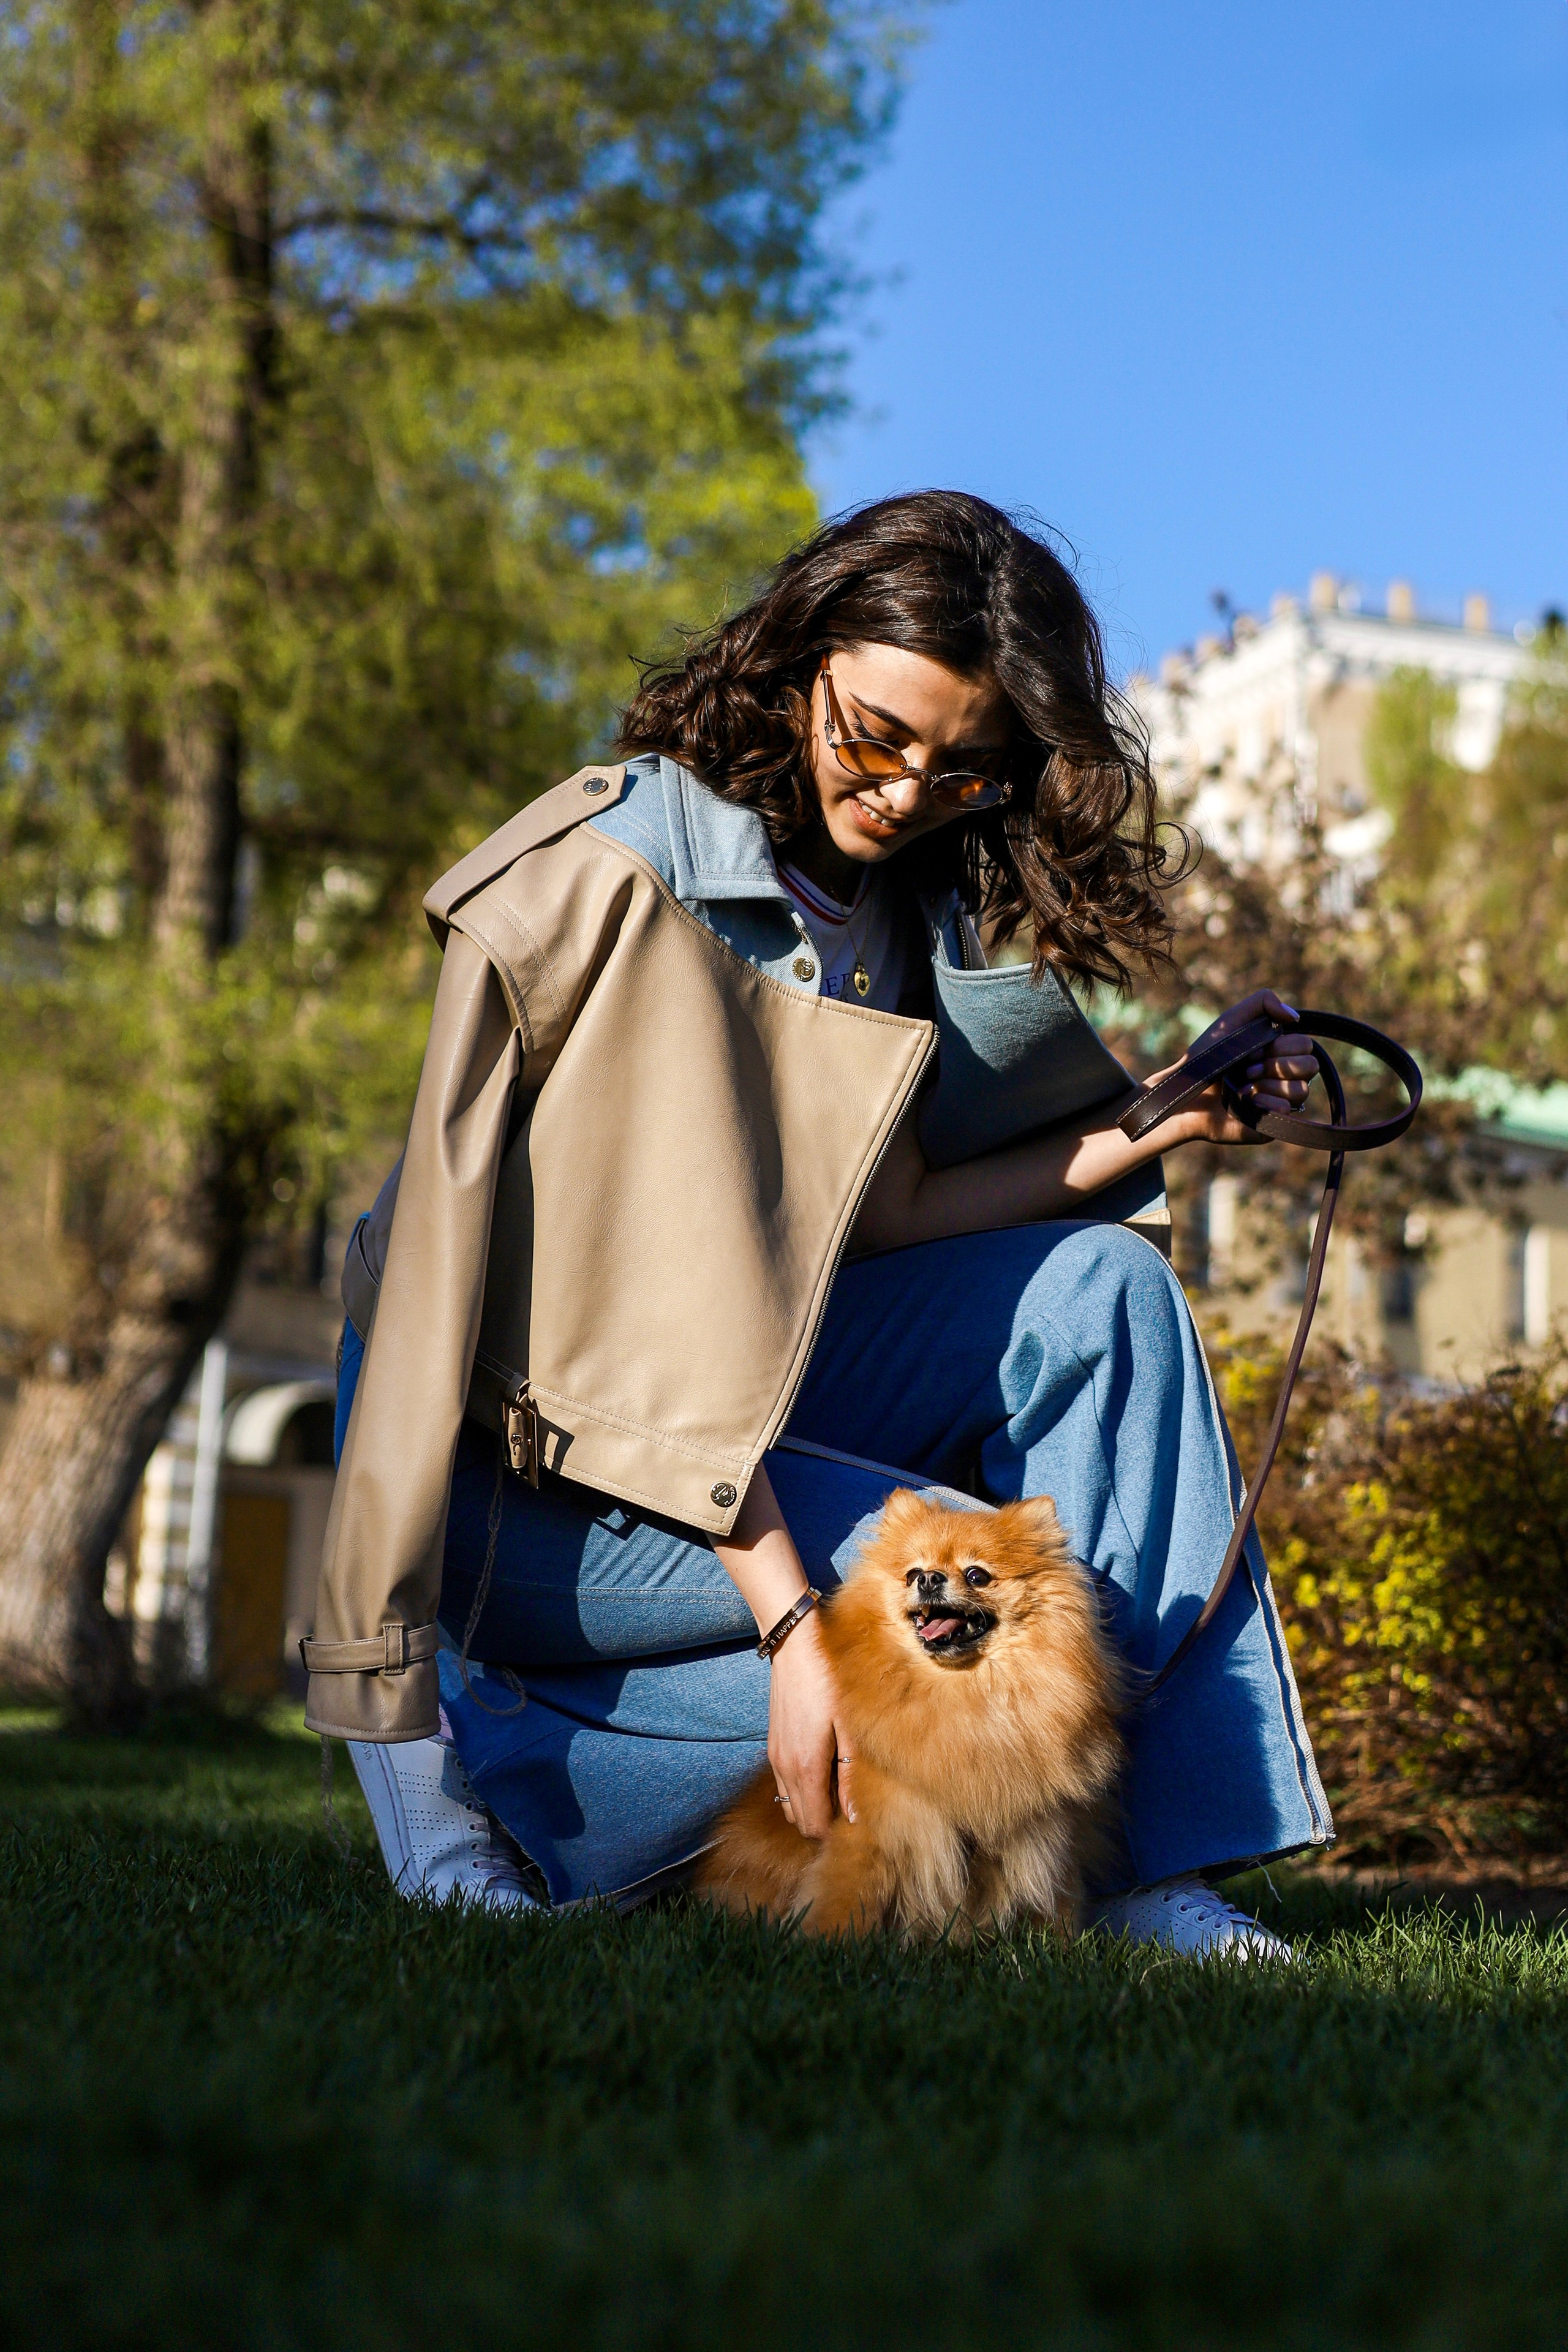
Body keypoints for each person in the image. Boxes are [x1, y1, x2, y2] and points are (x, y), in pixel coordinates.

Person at [307, 492, 1327, 1956]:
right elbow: (644, 1337)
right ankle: (499, 1760)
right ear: (798, 660)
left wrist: (1172, 1108)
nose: (907, 792)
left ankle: (1135, 1862)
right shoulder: (621, 878)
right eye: (873, 737)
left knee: (1100, 1293)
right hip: (523, 1466)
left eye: (962, 770)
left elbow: (898, 1209)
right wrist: (797, 1629)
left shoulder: (887, 914)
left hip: (745, 1416)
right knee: (953, 1622)